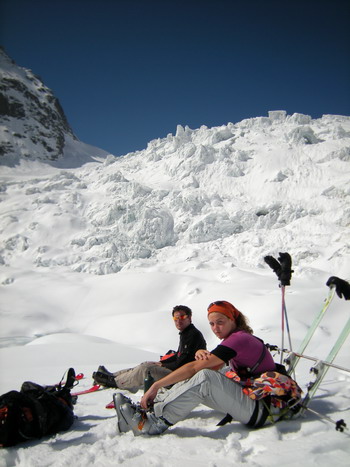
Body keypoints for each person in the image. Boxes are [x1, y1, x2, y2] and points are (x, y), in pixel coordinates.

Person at [114, 300, 301, 435]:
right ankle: (150, 412)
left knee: (204, 377)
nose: (215, 328)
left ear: (233, 320)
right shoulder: (236, 338)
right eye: (212, 324)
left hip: (264, 410)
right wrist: (202, 354)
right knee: (206, 374)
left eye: (220, 322)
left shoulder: (239, 339)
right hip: (258, 402)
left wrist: (155, 386)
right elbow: (209, 363)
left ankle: (153, 424)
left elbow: (195, 368)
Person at [92, 305, 207, 393]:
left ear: (189, 318)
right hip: (180, 374)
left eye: (182, 317)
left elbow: (183, 362)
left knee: (146, 369)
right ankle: (113, 375)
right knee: (147, 364)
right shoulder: (186, 333)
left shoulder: (192, 335)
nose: (178, 320)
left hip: (183, 378)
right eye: (175, 318)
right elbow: (179, 355)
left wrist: (162, 365)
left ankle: (115, 382)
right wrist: (161, 362)